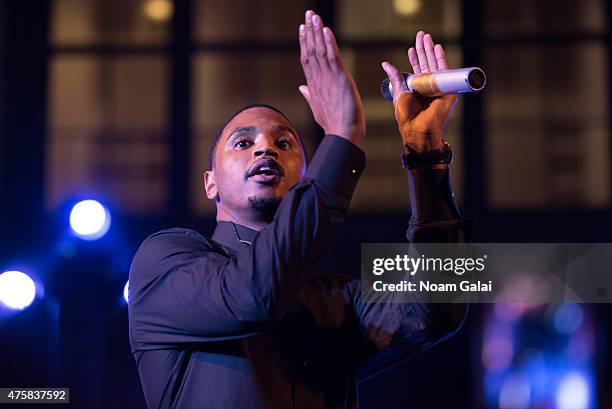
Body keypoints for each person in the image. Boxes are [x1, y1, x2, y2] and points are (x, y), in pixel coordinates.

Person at [128, 10, 470, 409]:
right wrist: (342, 136)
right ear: (211, 183)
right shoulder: (166, 261)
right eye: (242, 143)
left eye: (285, 143)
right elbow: (251, 296)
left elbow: (438, 308)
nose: (265, 148)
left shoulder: (337, 299)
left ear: (305, 176)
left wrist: (425, 152)